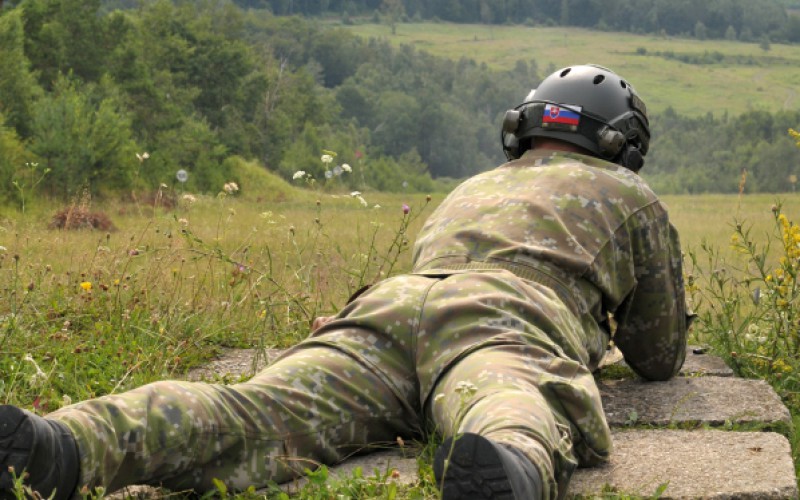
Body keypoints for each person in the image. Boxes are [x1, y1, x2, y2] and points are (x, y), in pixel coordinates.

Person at [0, 64, 689, 500]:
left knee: (254, 413)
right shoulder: (630, 196)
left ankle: (67, 443)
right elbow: (658, 355)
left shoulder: (475, 187)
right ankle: (509, 468)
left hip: (391, 307)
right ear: (621, 144)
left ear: (522, 131)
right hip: (506, 317)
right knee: (509, 402)